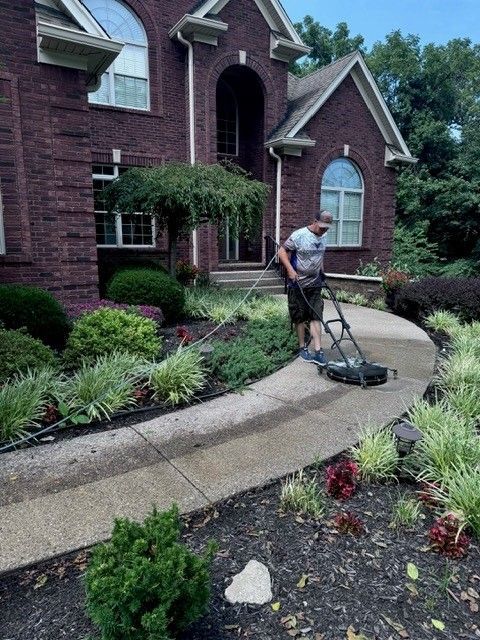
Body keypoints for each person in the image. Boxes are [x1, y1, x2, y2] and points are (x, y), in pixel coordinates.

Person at [278, 210, 333, 365]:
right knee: (300, 317)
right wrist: (290, 269)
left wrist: (322, 271)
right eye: (322, 226)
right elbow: (282, 251)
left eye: (327, 227)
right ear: (314, 221)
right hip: (298, 284)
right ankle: (302, 348)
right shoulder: (299, 235)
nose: (324, 230)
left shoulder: (324, 236)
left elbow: (320, 255)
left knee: (316, 316)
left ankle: (318, 351)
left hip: (315, 284)